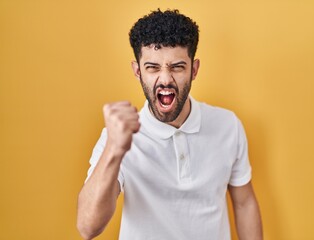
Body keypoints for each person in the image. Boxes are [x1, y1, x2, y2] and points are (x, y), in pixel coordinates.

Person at [77, 9, 263, 240]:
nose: (165, 79)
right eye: (152, 68)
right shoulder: (116, 137)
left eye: (177, 67)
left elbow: (244, 204)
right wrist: (115, 150)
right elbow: (87, 226)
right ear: (137, 71)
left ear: (194, 70)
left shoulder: (228, 126)